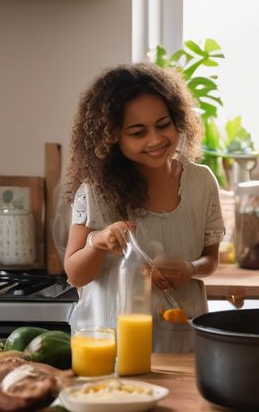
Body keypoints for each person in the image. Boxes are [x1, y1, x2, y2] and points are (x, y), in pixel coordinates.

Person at [63, 63, 224, 353]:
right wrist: (98, 242)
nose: (155, 140)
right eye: (138, 133)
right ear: (112, 135)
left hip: (181, 342)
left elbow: (210, 260)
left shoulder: (200, 182)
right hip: (109, 344)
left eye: (163, 125)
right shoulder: (95, 191)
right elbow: (75, 275)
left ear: (177, 120)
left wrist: (190, 269)